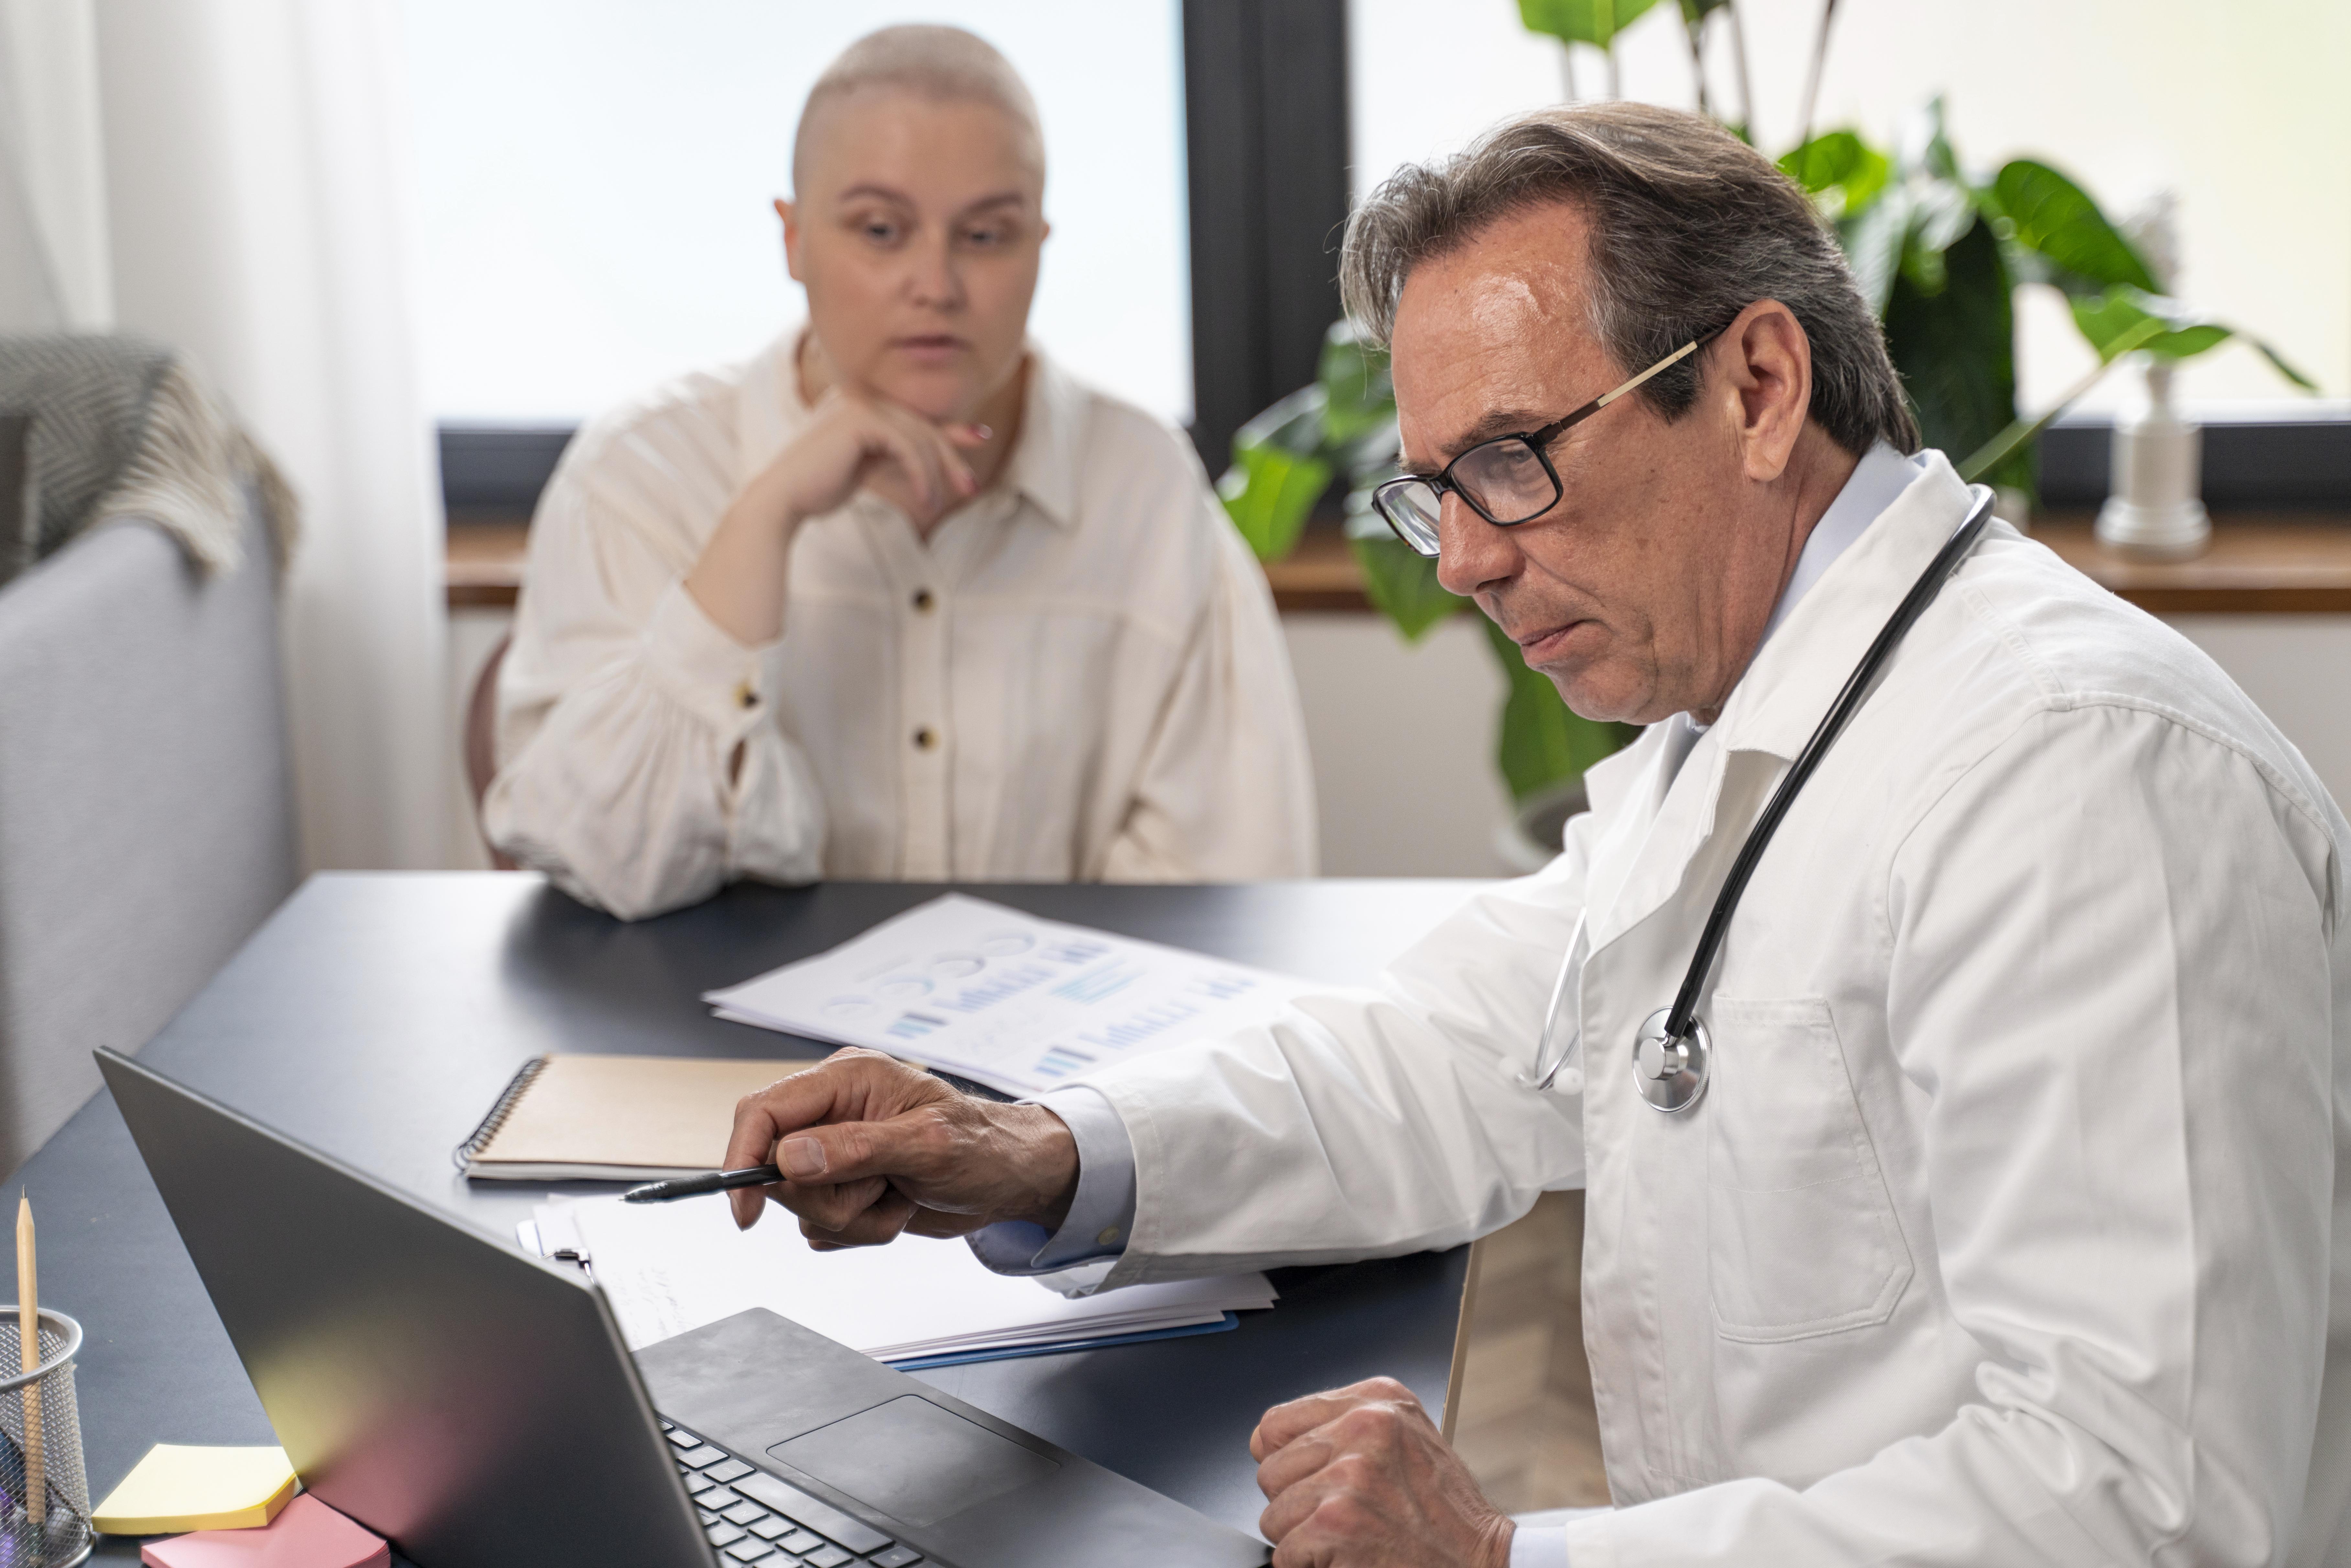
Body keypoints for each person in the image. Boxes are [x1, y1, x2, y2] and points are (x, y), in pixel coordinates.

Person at [716, 102, 2351, 1567]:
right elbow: (1453, 1053)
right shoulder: (1741, 720)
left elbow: (2141, 1506)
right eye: (1436, 487)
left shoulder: (2078, 774)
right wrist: (1039, 1153)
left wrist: (1504, 1562)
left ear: (1757, 387)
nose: (1461, 561)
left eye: (1508, 461)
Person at [485, 25, 1315, 919]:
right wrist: (764, 518)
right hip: (711, 1018)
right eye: (881, 231)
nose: (936, 284)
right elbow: (599, 862)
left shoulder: (1145, 483)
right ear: (793, 239)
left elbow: (1233, 888)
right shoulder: (637, 475)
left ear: (1039, 244)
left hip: (1054, 1013)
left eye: (985, 236)